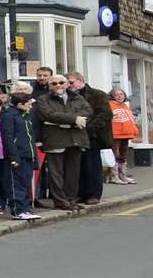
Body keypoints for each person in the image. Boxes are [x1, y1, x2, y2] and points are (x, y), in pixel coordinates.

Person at [35, 75, 88, 211]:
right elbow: (48, 115)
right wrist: (74, 119)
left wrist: (62, 120)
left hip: (76, 139)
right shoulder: (43, 99)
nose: (58, 85)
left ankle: (71, 199)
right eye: (54, 83)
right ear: (49, 86)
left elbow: (88, 111)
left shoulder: (77, 97)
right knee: (56, 173)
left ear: (66, 84)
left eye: (61, 82)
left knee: (73, 172)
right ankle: (60, 201)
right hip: (55, 139)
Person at [69, 72, 110, 204]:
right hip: (73, 135)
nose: (69, 85)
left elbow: (105, 114)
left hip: (91, 135)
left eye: (71, 82)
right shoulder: (67, 96)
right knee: (76, 166)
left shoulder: (98, 94)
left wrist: (89, 129)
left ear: (80, 80)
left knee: (91, 165)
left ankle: (93, 194)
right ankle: (80, 193)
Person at [2, 89, 41, 220]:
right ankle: (18, 210)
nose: (31, 106)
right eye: (28, 103)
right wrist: (13, 157)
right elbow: (8, 138)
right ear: (20, 105)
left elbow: (30, 138)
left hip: (27, 154)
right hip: (17, 156)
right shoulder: (9, 116)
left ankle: (25, 208)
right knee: (16, 184)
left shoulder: (25, 116)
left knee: (25, 183)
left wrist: (34, 156)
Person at [109, 88, 138, 185]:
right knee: (115, 155)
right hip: (115, 134)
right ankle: (114, 176)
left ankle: (123, 176)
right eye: (116, 94)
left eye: (121, 94)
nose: (119, 96)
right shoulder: (110, 105)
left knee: (123, 155)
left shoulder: (125, 106)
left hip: (126, 134)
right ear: (112, 96)